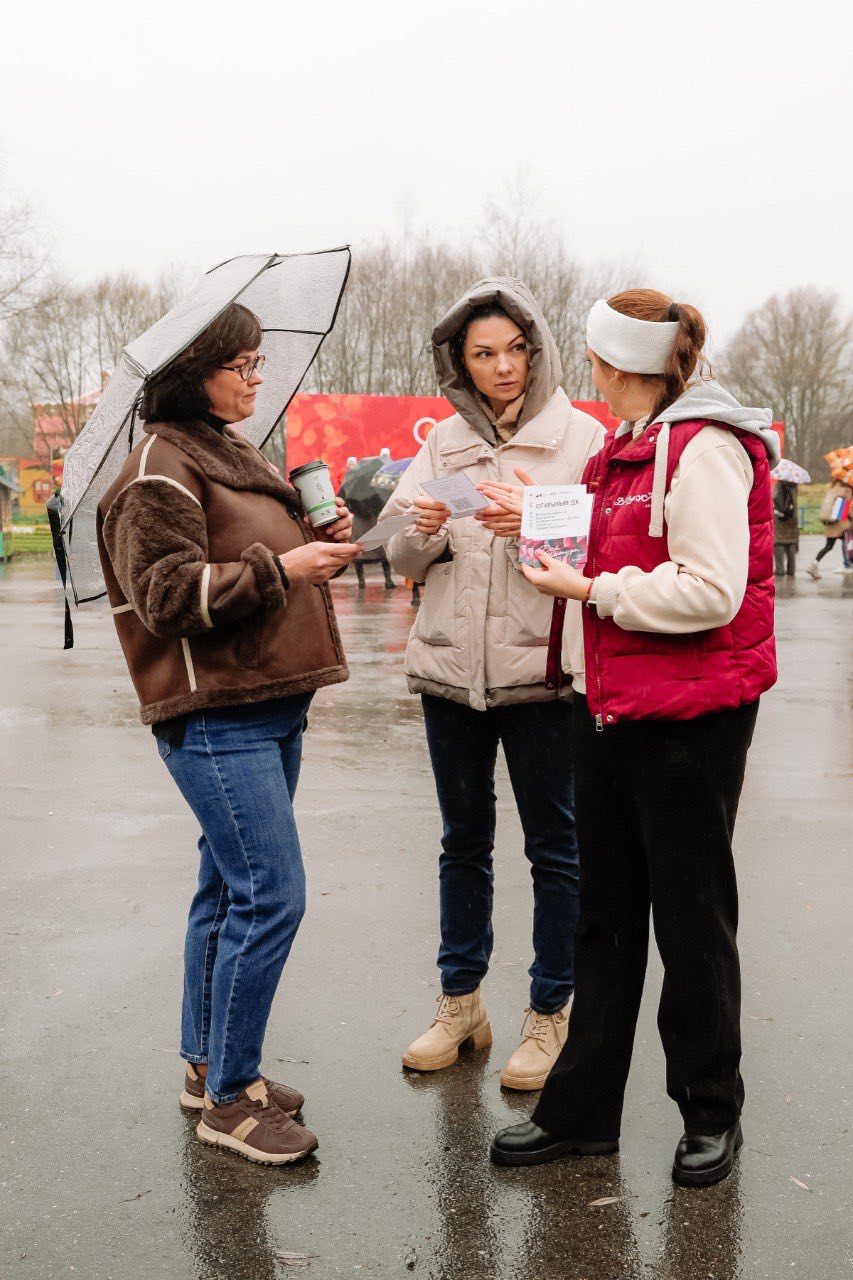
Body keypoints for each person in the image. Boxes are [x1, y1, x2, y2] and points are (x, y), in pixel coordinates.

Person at [489, 290, 779, 1188]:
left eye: (592, 358)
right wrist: (540, 519)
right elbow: (617, 545)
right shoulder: (625, 449)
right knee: (603, 918)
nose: (587, 371)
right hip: (607, 705)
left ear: (622, 364)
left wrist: (588, 590)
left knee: (691, 922)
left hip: (691, 719)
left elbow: (708, 592)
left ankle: (709, 1113)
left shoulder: (706, 450)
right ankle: (580, 1116)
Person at [97, 303, 361, 1165]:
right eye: (240, 365)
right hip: (215, 715)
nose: (255, 378)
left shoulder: (226, 447)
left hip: (266, 700)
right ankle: (232, 1103)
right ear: (193, 370)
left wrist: (312, 537)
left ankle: (208, 1066)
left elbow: (249, 554)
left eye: (256, 363)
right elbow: (168, 595)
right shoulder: (156, 468)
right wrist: (283, 565)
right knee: (269, 895)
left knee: (224, 893)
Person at [383, 278, 604, 1091]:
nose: (502, 366)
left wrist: (536, 524)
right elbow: (400, 561)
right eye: (483, 354)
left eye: (515, 349)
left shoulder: (581, 438)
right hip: (448, 672)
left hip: (541, 677)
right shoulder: (443, 445)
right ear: (459, 363)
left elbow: (601, 554)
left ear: (537, 350)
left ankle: (550, 1013)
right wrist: (421, 534)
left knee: (556, 848)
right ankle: (459, 1003)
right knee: (460, 843)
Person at [807, 480, 852, 577]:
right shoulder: (846, 491)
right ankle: (847, 564)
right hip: (841, 525)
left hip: (831, 524)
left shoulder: (832, 490)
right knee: (846, 542)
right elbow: (845, 510)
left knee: (828, 546)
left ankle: (814, 564)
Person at [773, 478, 799, 575]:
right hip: (792, 519)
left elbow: (776, 499)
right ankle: (791, 570)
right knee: (791, 544)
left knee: (779, 543)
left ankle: (780, 570)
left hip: (780, 519)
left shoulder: (779, 485)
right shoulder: (794, 485)